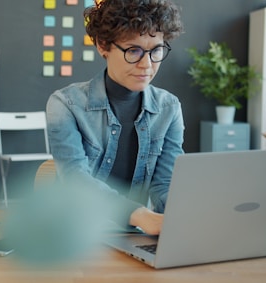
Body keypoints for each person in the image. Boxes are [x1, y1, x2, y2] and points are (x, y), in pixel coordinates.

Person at [46, 0, 185, 235]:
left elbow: (165, 183)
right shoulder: (65, 104)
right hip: (77, 235)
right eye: (133, 51)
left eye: (156, 50)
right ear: (103, 45)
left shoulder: (169, 108)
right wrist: (140, 216)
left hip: (135, 236)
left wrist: (185, 214)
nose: (147, 65)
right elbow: (76, 181)